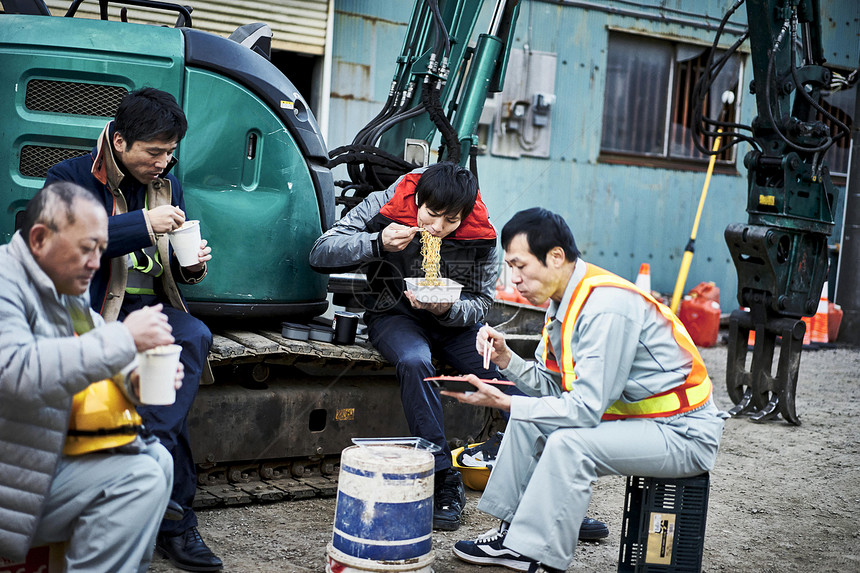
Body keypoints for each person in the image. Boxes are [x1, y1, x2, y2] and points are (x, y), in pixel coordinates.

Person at [448, 207, 725, 572]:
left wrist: (507, 402)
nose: (513, 279)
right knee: (528, 420)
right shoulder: (565, 300)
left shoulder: (605, 308)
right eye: (510, 268)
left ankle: (541, 556)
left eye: (520, 266)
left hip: (684, 433)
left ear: (556, 257)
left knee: (567, 445)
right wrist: (506, 360)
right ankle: (512, 533)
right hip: (649, 423)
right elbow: (555, 388)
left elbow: (584, 409)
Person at [44, 88, 221, 571]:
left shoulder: (168, 184)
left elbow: (170, 268)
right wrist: (143, 223)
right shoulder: (70, 178)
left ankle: (147, 459)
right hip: (94, 312)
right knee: (171, 405)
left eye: (171, 152)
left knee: (193, 336)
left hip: (151, 307)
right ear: (120, 142)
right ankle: (175, 520)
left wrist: (193, 267)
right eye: (155, 152)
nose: (165, 162)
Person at [309, 162, 500, 531]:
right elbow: (321, 252)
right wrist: (375, 242)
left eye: (451, 221)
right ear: (417, 199)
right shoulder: (385, 204)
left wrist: (448, 308)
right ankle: (443, 477)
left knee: (500, 371)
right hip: (393, 314)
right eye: (431, 215)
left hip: (455, 323)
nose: (437, 228)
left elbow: (483, 302)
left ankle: (550, 480)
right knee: (414, 361)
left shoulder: (482, 233)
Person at [0, 182, 179, 572]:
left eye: (101, 249)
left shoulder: (63, 286)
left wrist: (134, 380)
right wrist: (126, 337)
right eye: (87, 249)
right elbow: (16, 372)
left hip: (34, 460)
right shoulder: (4, 284)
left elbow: (97, 347)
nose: (97, 263)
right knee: (138, 478)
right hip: (11, 480)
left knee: (159, 460)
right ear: (40, 238)